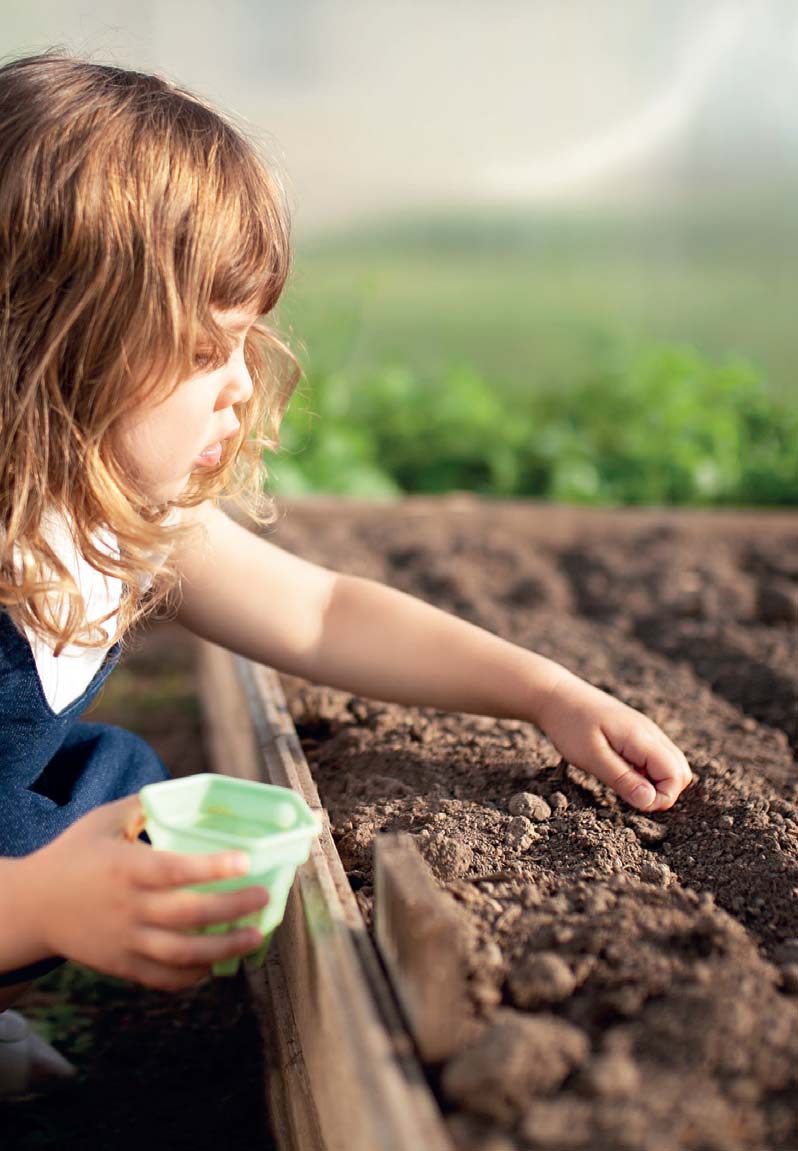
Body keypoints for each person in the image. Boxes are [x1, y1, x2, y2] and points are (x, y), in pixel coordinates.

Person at [0, 52, 692, 1098]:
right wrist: (38, 906)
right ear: (61, 346)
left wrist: (543, 690)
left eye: (248, 341)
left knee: (126, 796)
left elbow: (321, 611)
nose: (242, 386)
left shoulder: (120, 516)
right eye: (204, 349)